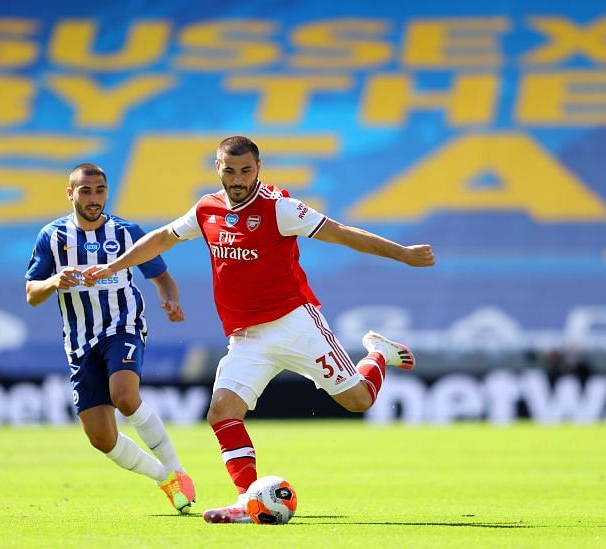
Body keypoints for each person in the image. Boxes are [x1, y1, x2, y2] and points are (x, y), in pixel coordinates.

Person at [82, 137, 435, 523]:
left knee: (359, 401)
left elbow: (340, 232)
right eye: (229, 170)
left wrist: (402, 253)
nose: (237, 179)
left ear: (259, 167)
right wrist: (116, 266)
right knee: (221, 412)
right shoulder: (207, 209)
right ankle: (246, 500)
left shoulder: (280, 208)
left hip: (295, 325)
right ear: (217, 167)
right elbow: (164, 237)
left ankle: (378, 354)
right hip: (246, 337)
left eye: (245, 170)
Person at [25, 163, 196, 514]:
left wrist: (171, 299)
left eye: (99, 190)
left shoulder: (126, 232)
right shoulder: (52, 237)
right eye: (85, 191)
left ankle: (178, 470)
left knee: (124, 396)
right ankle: (164, 478)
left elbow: (162, 276)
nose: (93, 198)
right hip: (79, 342)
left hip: (124, 326)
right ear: (70, 193)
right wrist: (55, 281)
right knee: (101, 438)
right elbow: (32, 292)